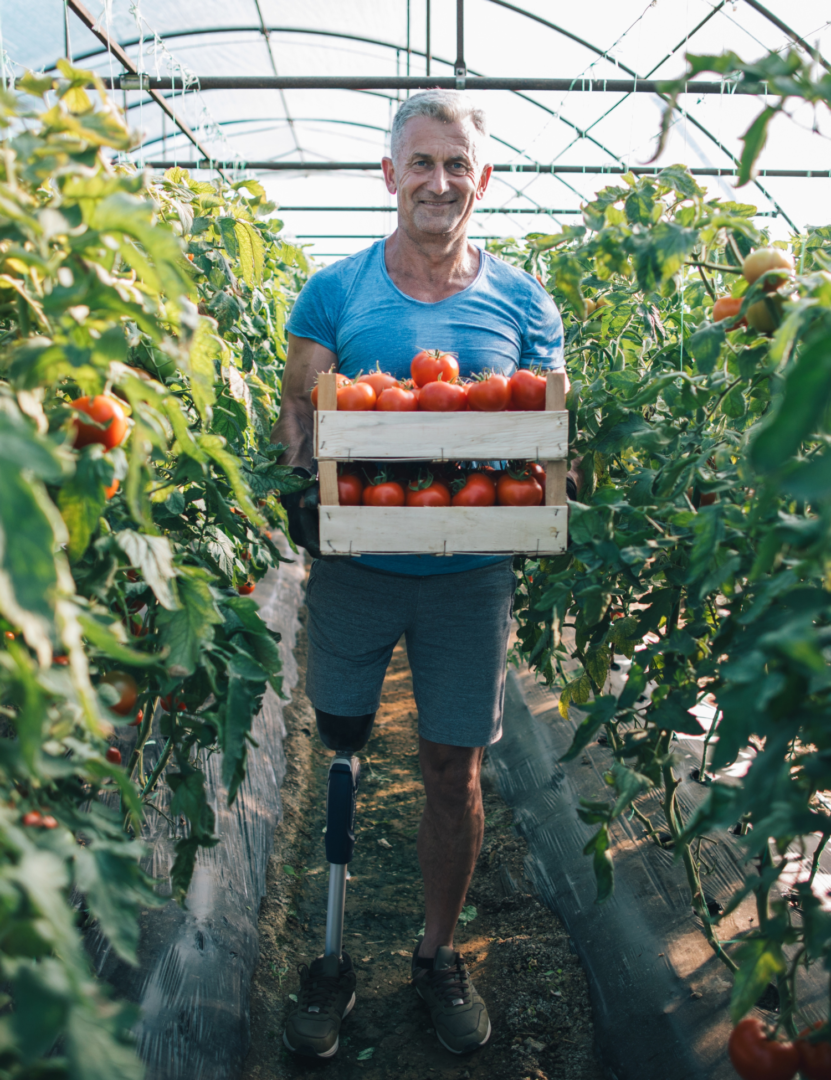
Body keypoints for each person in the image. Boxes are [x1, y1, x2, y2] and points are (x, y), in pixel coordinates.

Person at [272, 89, 580, 1059]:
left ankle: (434, 951)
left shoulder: (527, 303)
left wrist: (540, 470)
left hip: (473, 573)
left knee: (455, 765)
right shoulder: (334, 291)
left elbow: (540, 432)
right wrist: (305, 464)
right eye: (421, 163)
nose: (438, 181)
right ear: (389, 175)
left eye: (458, 165)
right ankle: (329, 954)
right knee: (344, 745)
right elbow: (297, 413)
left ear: (481, 180)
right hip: (358, 560)